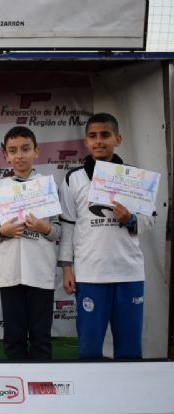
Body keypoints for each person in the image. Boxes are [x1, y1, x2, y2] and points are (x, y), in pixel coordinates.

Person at [58, 113, 154, 359]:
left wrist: (130, 219)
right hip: (91, 273)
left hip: (128, 272)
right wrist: (67, 268)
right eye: (93, 136)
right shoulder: (73, 178)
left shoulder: (135, 177)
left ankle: (128, 386)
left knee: (130, 349)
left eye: (105, 135)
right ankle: (90, 386)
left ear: (118, 139)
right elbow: (68, 225)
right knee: (89, 350)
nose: (99, 141)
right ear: (86, 141)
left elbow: (149, 219)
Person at [0, 126, 61, 360]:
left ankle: (41, 379)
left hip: (40, 271)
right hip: (10, 273)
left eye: (25, 149)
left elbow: (58, 231)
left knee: (41, 336)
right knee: (14, 336)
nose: (19, 155)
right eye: (13, 151)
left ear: (36, 151)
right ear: (5, 155)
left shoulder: (48, 186)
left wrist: (43, 227)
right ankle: (17, 379)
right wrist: (3, 231)